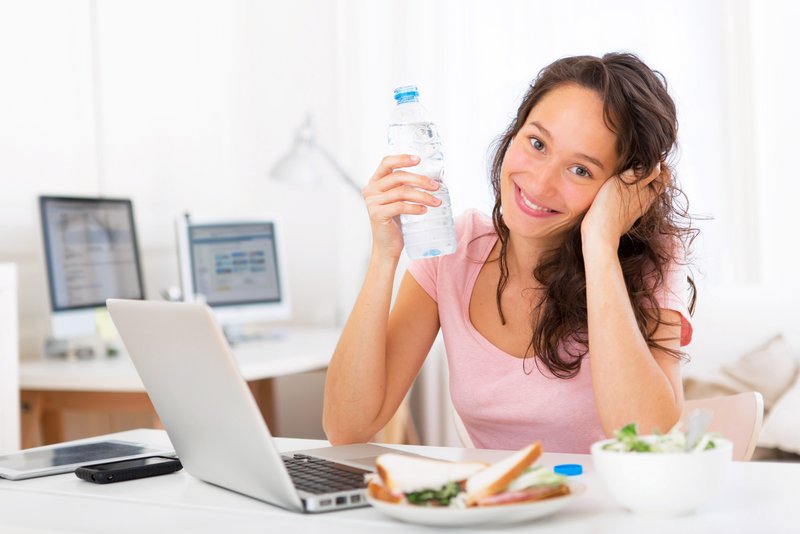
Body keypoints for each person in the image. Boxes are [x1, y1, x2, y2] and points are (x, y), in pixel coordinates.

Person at [323, 52, 696, 453]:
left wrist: (600, 245)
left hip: (608, 511)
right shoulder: (454, 250)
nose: (539, 181)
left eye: (581, 170)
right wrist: (384, 255)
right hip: (498, 510)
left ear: (624, 187)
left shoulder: (649, 264)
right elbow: (347, 429)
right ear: (514, 133)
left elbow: (647, 441)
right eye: (537, 143)